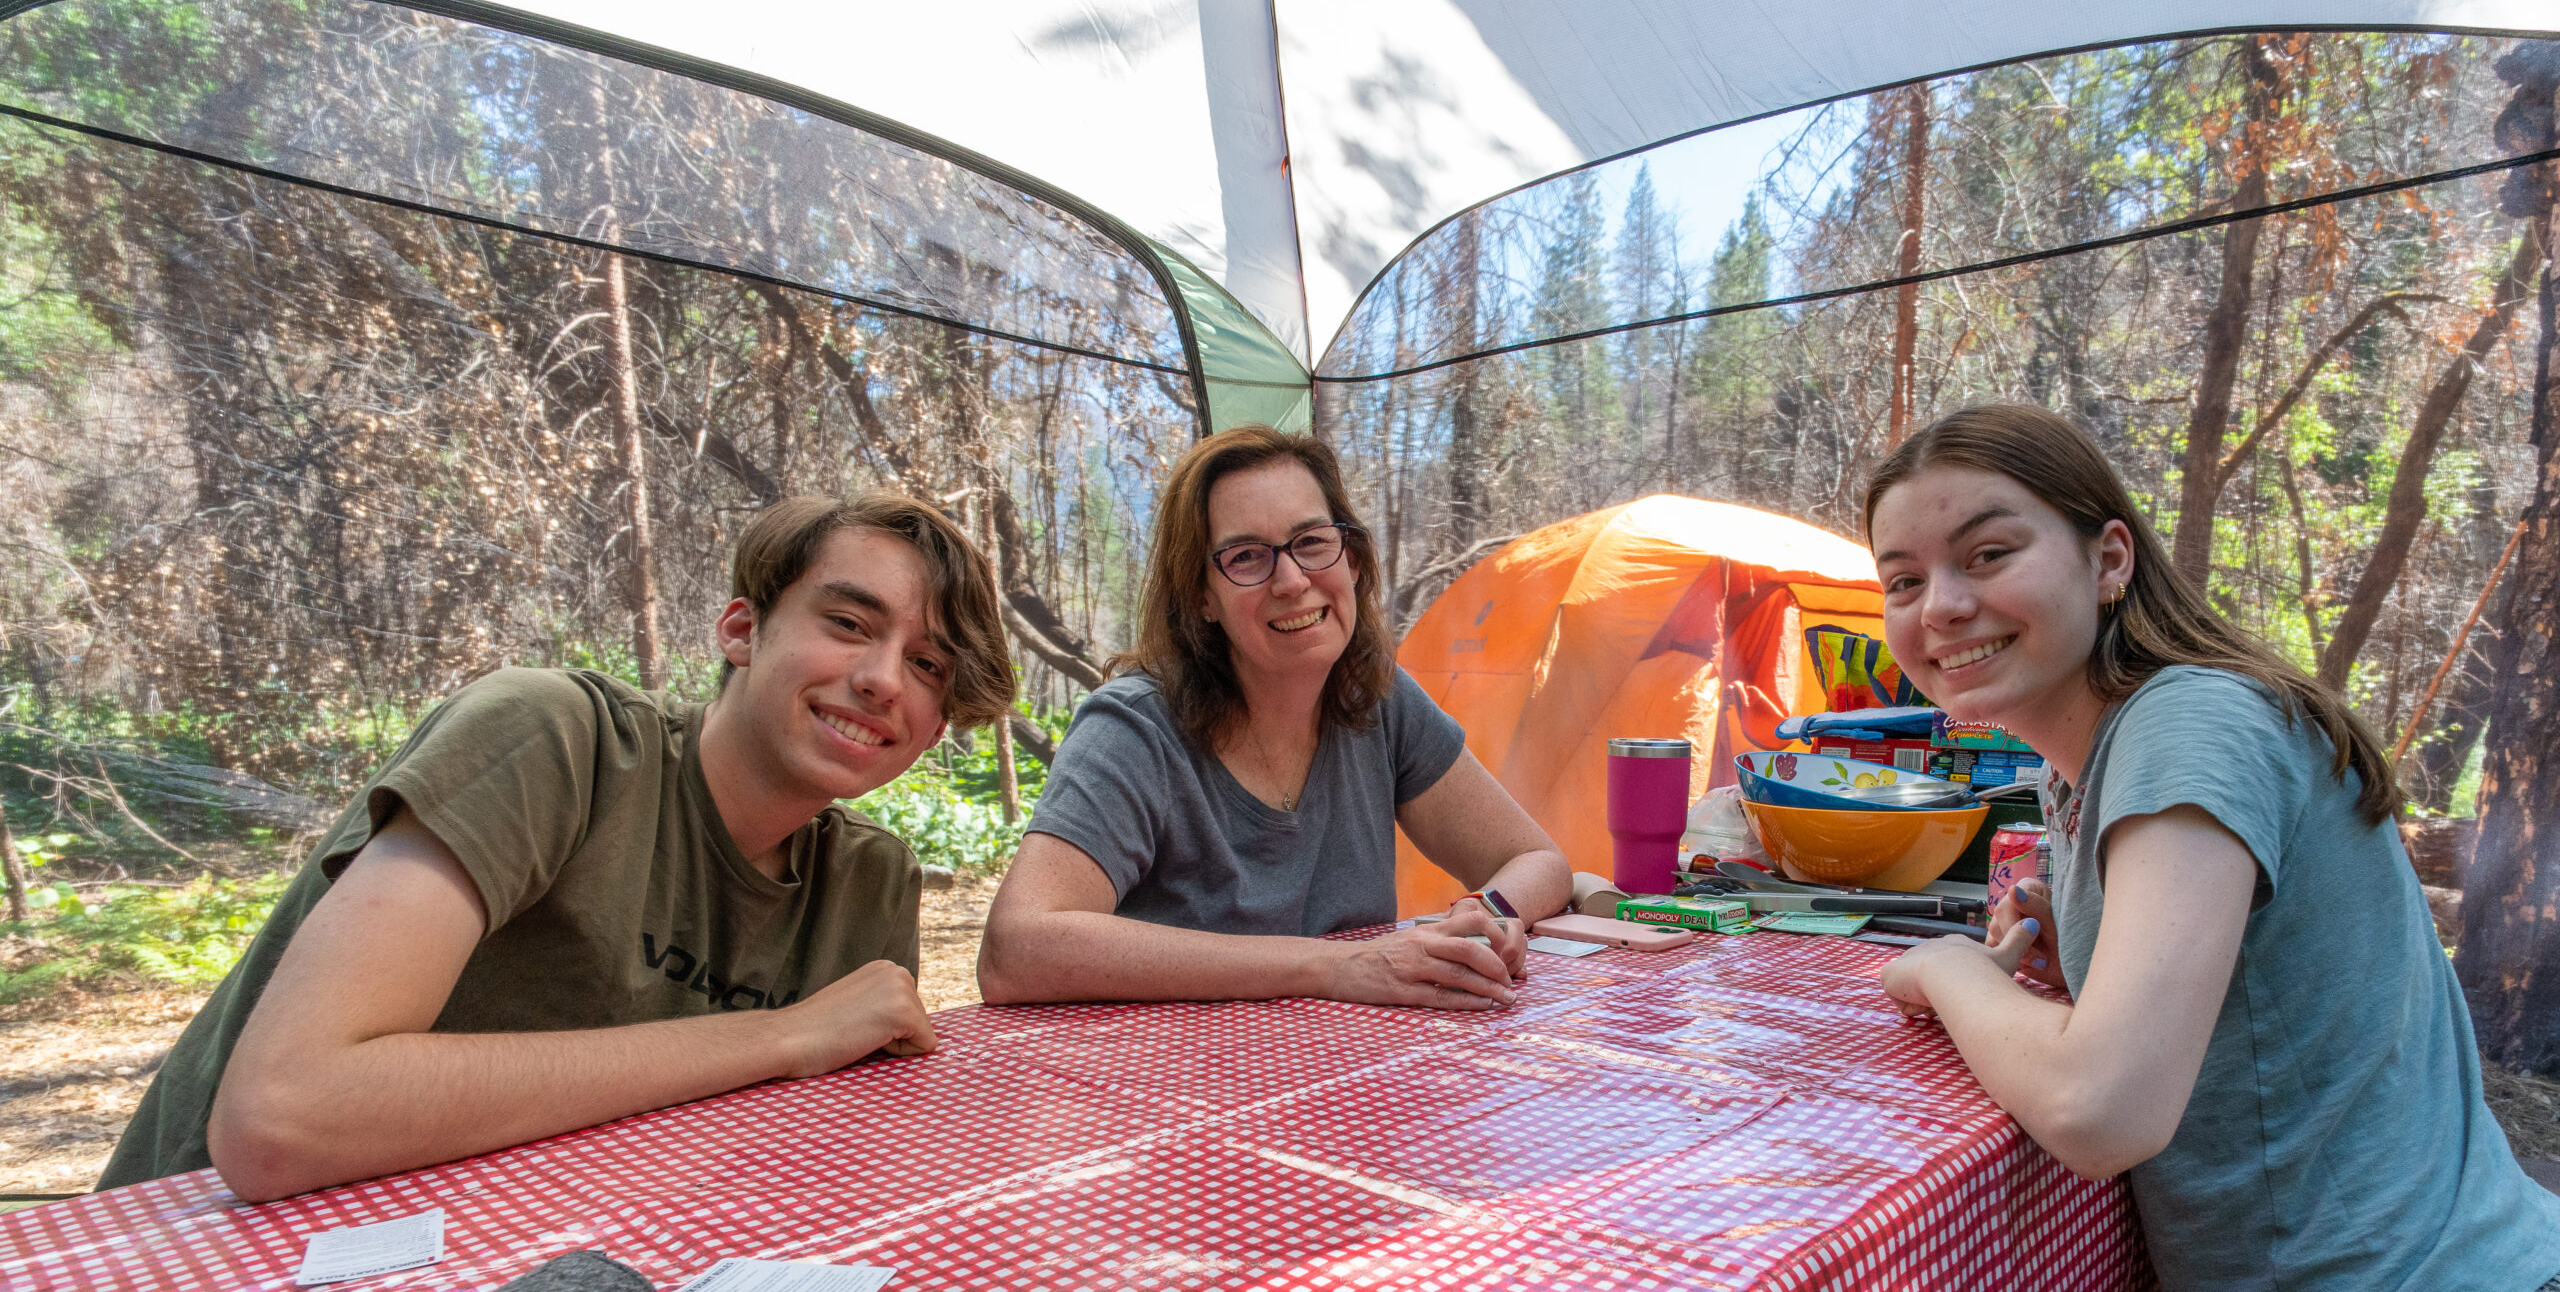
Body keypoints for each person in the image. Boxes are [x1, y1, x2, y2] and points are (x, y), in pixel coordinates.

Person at [100, 493, 1016, 1201]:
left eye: (930, 664)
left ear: (939, 722)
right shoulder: (555, 740)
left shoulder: (869, 878)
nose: (880, 679)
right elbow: (285, 1116)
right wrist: (778, 1035)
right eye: (849, 624)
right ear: (742, 630)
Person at [1863, 404, 2560, 1291]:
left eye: (1989, 554)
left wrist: (1946, 971)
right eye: (1903, 582)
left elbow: (2101, 1109)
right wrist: (2077, 928)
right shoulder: (2081, 765)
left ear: (2109, 558)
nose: (1945, 607)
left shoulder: (2190, 721)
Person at [978, 426, 1570, 1011]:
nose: (1291, 581)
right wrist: (1333, 968)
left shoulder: (1378, 700)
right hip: (1171, 1087)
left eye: (1312, 542)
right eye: (1246, 557)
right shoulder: (1134, 729)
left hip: (1346, 1075)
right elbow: (1017, 949)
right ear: (1202, 597)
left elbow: (1540, 863)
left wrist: (1485, 914)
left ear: (1354, 560)